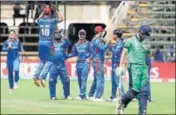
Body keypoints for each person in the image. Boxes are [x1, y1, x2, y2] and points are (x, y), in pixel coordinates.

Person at [116, 25, 152, 115]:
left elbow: (149, 55)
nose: (146, 37)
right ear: (140, 32)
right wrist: (120, 66)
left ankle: (142, 112)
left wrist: (148, 49)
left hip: (143, 67)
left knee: (145, 91)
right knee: (135, 90)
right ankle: (123, 102)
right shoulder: (130, 41)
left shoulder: (146, 42)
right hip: (133, 67)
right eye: (145, 35)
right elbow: (124, 53)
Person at [33, 6, 63, 87]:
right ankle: (43, 77)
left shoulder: (40, 20)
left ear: (44, 13)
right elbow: (61, 18)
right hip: (48, 42)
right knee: (51, 60)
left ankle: (36, 75)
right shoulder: (52, 21)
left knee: (42, 61)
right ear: (50, 13)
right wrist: (56, 10)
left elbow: (37, 19)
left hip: (41, 42)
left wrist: (43, 11)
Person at [67, 29, 92, 100]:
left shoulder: (88, 43)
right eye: (80, 34)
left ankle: (81, 95)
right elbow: (73, 53)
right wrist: (65, 56)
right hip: (78, 63)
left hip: (85, 63)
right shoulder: (76, 44)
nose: (81, 35)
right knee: (79, 80)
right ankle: (83, 95)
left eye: (83, 34)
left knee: (83, 79)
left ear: (85, 35)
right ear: (78, 35)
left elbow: (93, 53)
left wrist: (89, 59)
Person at [48, 30, 71, 100]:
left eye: (58, 34)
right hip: (53, 65)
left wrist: (63, 36)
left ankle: (66, 95)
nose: (57, 35)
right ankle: (53, 96)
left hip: (62, 66)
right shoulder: (51, 43)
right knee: (51, 81)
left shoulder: (63, 43)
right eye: (56, 34)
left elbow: (68, 43)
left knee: (66, 80)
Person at [88, 26, 109, 101]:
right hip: (98, 62)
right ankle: (98, 97)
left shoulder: (95, 40)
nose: (103, 33)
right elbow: (103, 48)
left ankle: (90, 95)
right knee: (100, 79)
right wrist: (107, 43)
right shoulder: (96, 40)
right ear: (99, 32)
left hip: (96, 61)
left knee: (96, 79)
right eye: (102, 32)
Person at [106, 29, 125, 102]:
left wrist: (111, 46)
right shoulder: (117, 43)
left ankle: (123, 96)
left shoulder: (120, 43)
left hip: (117, 64)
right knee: (113, 81)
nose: (113, 35)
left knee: (117, 81)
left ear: (116, 35)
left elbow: (115, 51)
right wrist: (110, 45)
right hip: (114, 64)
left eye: (114, 34)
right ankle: (113, 96)